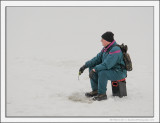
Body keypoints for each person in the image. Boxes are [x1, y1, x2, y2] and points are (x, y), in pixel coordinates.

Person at [79, 31, 127, 101]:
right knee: (92, 67)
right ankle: (95, 91)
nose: (101, 40)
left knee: (102, 72)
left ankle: (102, 94)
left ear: (107, 41)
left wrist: (95, 69)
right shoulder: (105, 48)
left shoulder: (115, 50)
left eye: (102, 39)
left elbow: (107, 64)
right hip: (111, 70)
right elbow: (97, 59)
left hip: (119, 72)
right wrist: (85, 66)